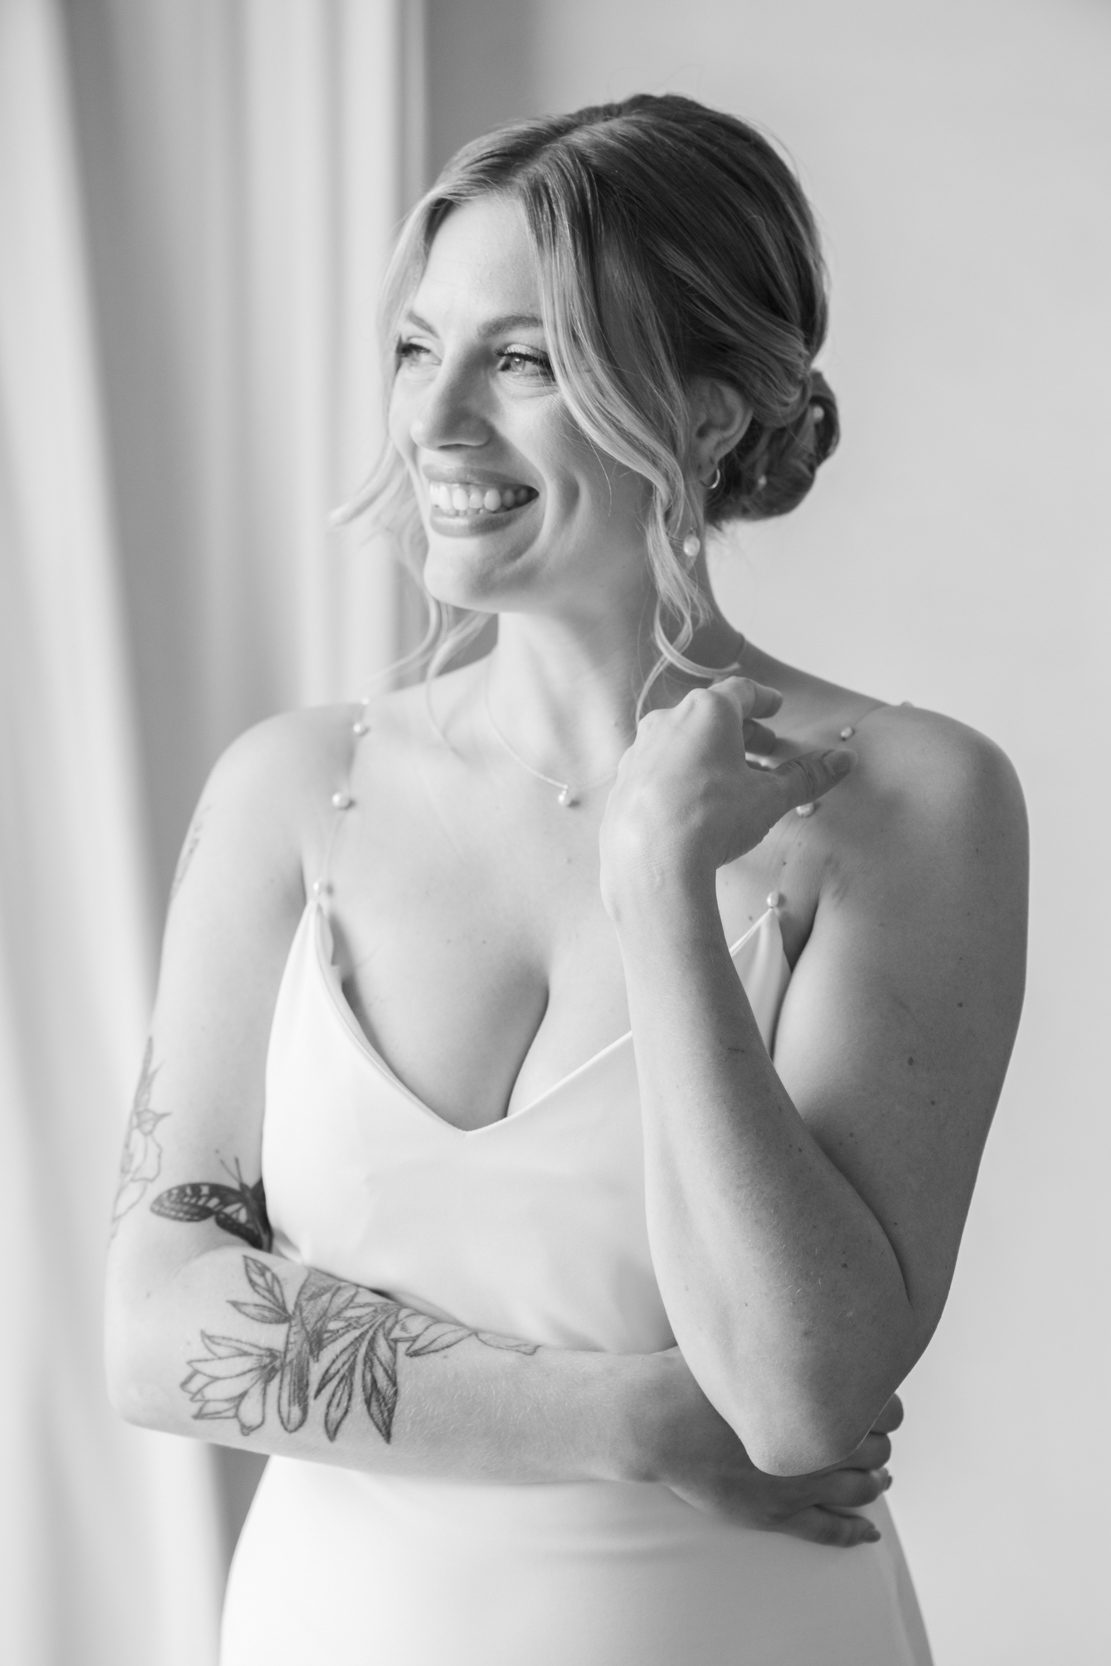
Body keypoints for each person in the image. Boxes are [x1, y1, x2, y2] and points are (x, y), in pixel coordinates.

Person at [105, 94, 1027, 1666]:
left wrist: (662, 893)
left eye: (523, 360)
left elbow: (802, 1396)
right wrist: (624, 1413)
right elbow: (152, 1326)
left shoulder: (911, 800)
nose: (435, 419)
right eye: (416, 347)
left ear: (717, 410)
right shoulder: (291, 791)